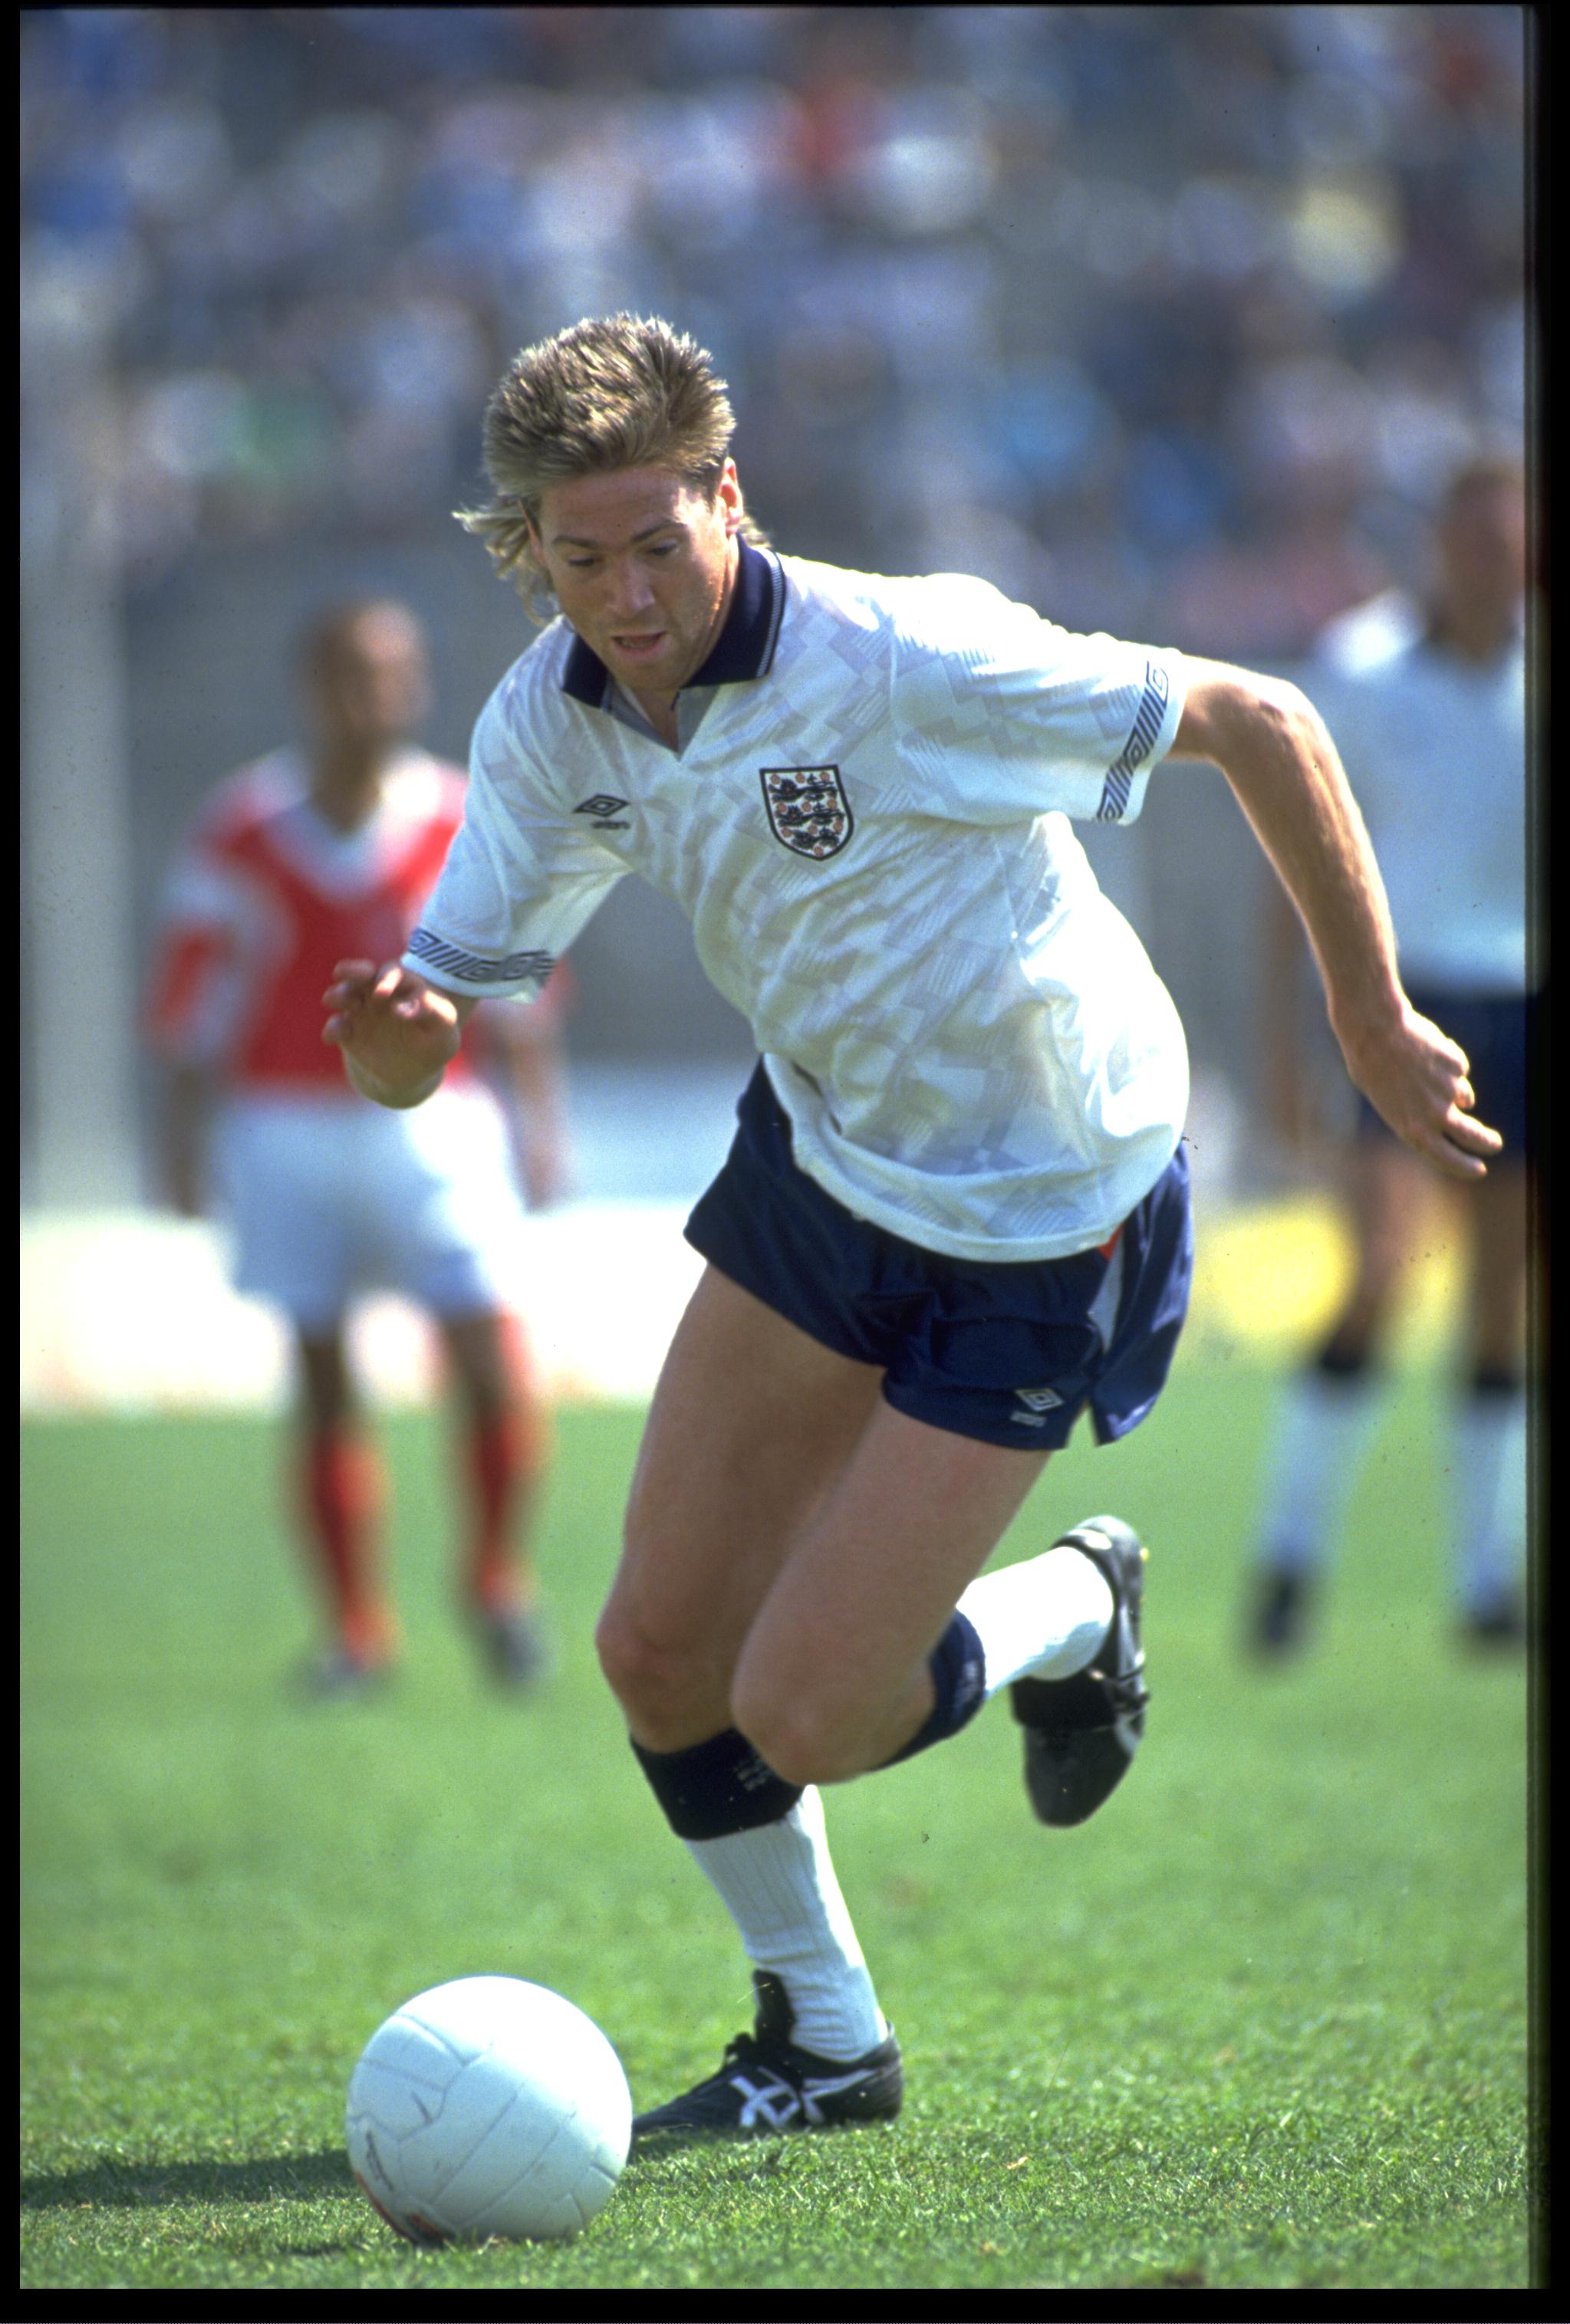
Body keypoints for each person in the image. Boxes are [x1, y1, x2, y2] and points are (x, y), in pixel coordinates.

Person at [321, 316, 1498, 2137]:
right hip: (823, 1173)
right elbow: (430, 1032)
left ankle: (1074, 1606)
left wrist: (1363, 1012)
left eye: (659, 539)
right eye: (580, 554)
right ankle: (825, 2039)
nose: (626, 593)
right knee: (654, 1656)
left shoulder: (901, 651)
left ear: (730, 496)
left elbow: (1255, 717)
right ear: (526, 549)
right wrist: (403, 1047)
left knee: (804, 1711)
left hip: (1048, 1212)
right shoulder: (546, 724)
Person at [148, 598, 570, 1697]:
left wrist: (539, 1122)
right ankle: (358, 1632)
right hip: (283, 1125)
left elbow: (519, 989)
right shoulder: (242, 823)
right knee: (324, 1371)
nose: (374, 695)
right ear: (311, 685)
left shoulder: (460, 816)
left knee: (487, 1352)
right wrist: (181, 1138)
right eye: (351, 673)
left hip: (441, 1118)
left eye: (394, 673)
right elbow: (197, 995)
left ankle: (496, 1580)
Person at [1247, 455, 1533, 1653]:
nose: (1487, 557)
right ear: (1439, 545)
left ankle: (1485, 1587)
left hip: (1526, 995)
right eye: (1470, 535)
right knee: (1381, 1269)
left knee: (1503, 1305)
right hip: (1403, 1001)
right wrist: (1280, 1044)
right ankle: (1290, 1558)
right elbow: (1290, 865)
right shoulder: (1363, 674)